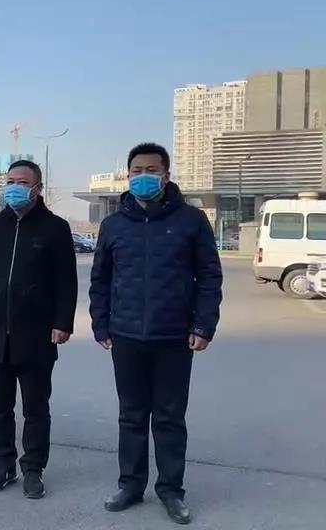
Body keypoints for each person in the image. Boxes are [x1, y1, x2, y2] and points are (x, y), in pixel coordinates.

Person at [89, 143, 222, 525]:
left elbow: (209, 277)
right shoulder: (114, 224)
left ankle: (171, 490)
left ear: (166, 175)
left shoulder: (191, 220)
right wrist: (101, 323)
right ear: (128, 175)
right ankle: (131, 485)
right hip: (126, 336)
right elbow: (101, 280)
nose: (143, 177)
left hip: (174, 337)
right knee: (131, 416)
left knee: (169, 418)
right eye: (136, 171)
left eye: (151, 170)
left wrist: (203, 324)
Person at [0, 160, 78, 499]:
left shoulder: (55, 228)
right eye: (10, 180)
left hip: (36, 334)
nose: (15, 187)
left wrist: (62, 322)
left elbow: (66, 281)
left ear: (37, 188)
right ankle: (3, 463)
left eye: (23, 182)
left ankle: (33, 468)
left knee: (35, 407)